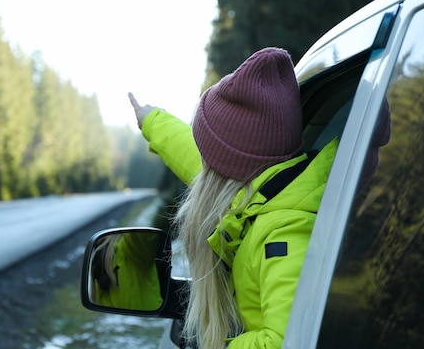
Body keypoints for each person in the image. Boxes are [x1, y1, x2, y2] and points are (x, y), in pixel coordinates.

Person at [129, 47, 339, 349]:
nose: (203, 168)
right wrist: (151, 121)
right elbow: (195, 156)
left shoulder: (285, 232)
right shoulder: (260, 191)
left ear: (227, 167)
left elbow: (285, 342)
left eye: (209, 159)